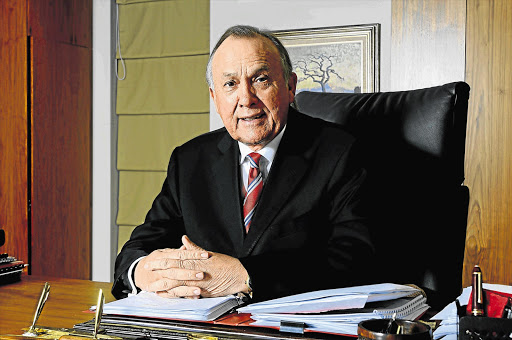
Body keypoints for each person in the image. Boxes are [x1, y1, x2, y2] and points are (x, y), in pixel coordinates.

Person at [112, 25, 374, 302]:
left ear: (290, 86)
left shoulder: (342, 152)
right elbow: (140, 246)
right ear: (215, 98)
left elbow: (357, 258)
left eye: (260, 79)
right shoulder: (189, 160)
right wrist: (142, 271)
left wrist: (246, 275)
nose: (246, 99)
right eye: (230, 84)